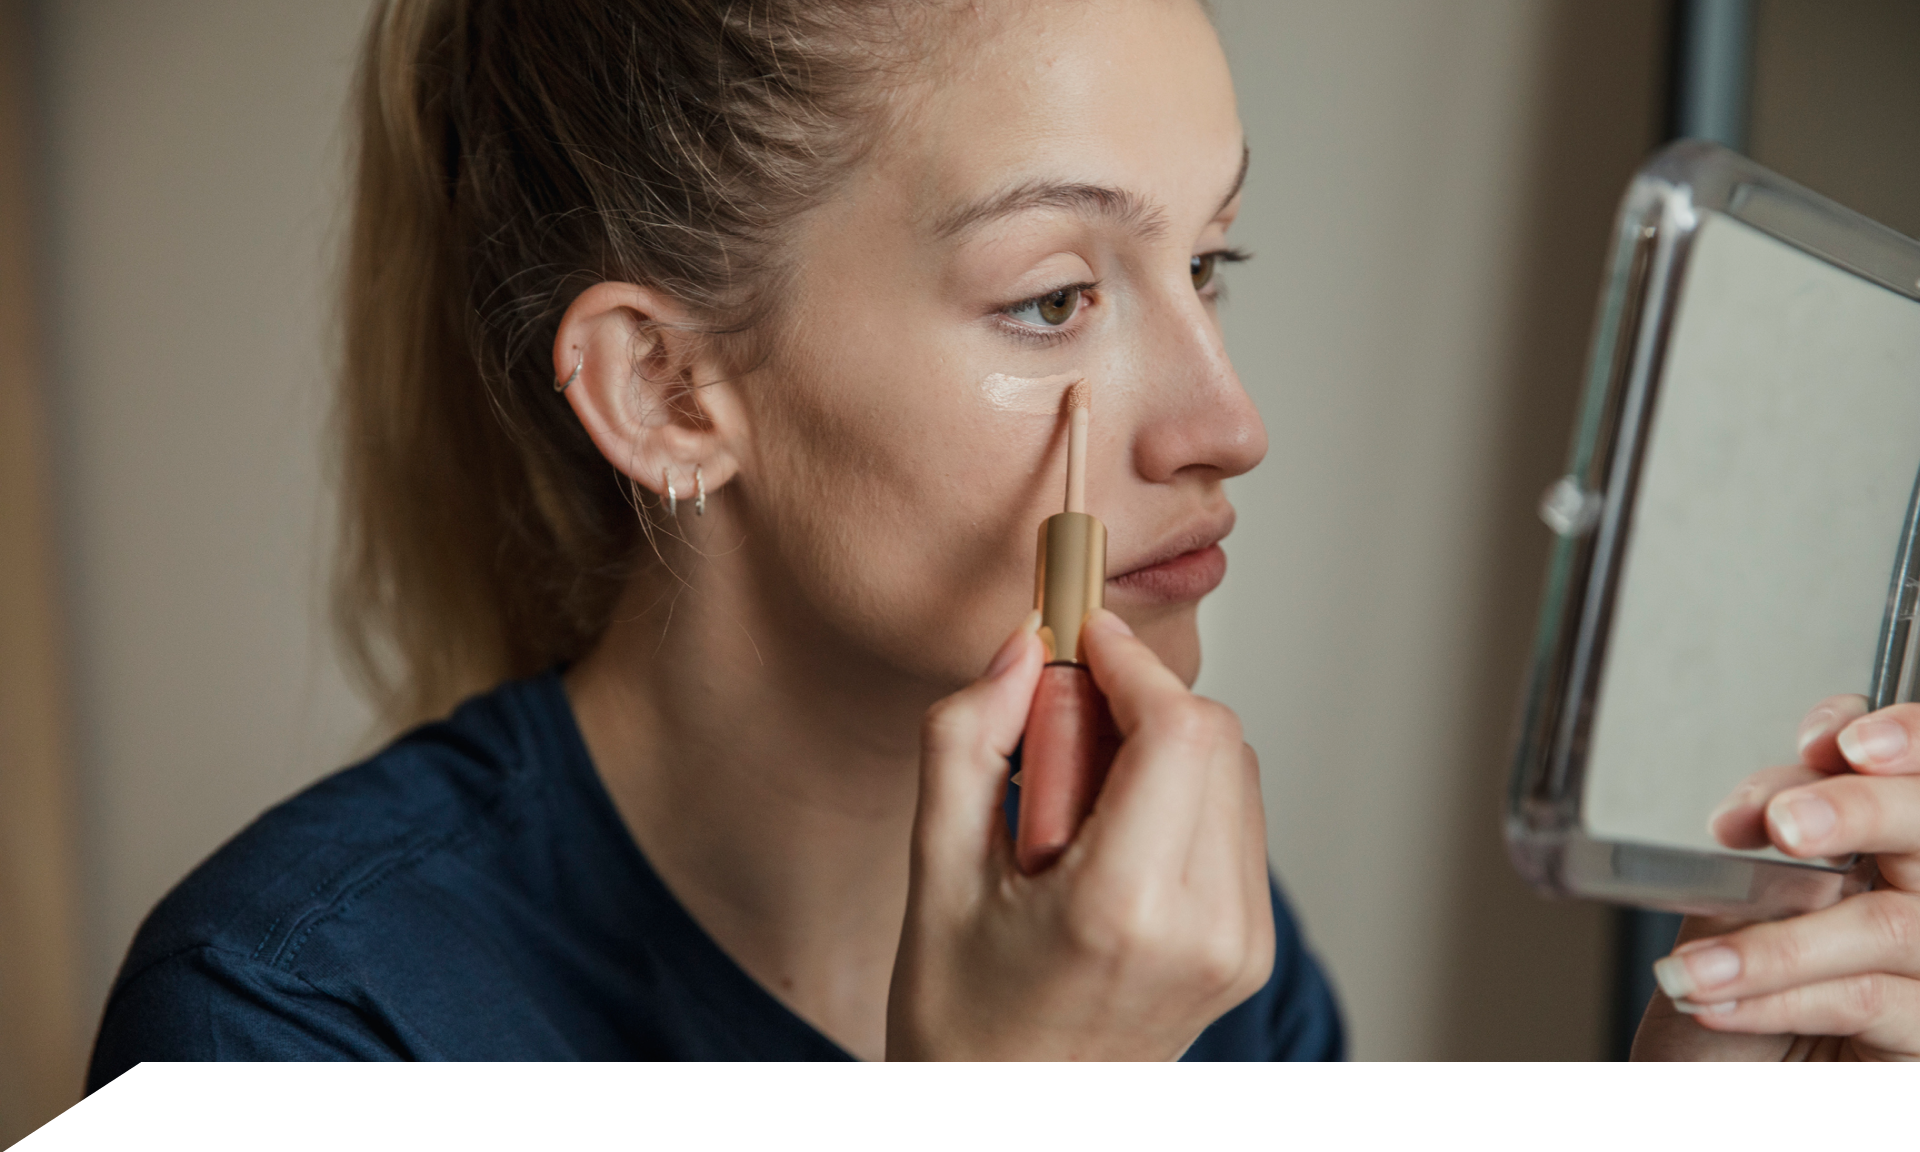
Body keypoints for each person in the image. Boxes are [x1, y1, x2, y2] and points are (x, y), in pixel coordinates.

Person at [87, 0, 1920, 1070]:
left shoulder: (1181, 931)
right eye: (1054, 296)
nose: (1230, 423)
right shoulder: (293, 1017)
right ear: (664, 394)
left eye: (1208, 265)